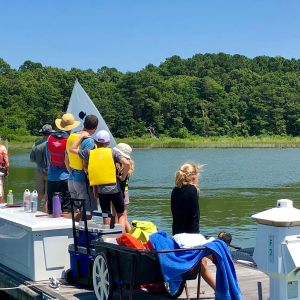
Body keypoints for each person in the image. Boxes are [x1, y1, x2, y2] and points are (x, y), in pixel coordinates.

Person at [70, 130, 130, 231]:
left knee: (105, 214)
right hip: (115, 189)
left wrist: (81, 136)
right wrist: (123, 177)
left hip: (101, 190)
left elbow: (72, 149)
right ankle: (120, 235)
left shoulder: (89, 153)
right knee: (121, 214)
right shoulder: (113, 152)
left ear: (95, 142)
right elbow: (127, 164)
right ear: (108, 143)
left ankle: (107, 235)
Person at [170, 162, 216, 291]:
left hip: (177, 236)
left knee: (202, 263)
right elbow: (195, 218)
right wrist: (198, 240)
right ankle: (224, 289)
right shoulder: (192, 190)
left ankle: (220, 290)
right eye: (198, 175)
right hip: (190, 238)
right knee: (217, 254)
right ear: (194, 176)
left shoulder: (175, 190)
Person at [65, 115, 98, 218]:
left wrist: (70, 171)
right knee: (87, 211)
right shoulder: (89, 141)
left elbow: (66, 158)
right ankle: (84, 233)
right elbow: (85, 163)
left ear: (84, 124)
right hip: (82, 178)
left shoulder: (72, 136)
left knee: (75, 209)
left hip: (71, 176)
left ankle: (73, 231)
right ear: (96, 127)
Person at [46, 113, 80, 216]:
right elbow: (69, 160)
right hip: (65, 178)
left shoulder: (50, 139)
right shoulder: (69, 140)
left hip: (51, 178)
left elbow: (48, 158)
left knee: (51, 209)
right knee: (66, 209)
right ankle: (67, 231)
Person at [30, 124, 54, 210]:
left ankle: (36, 210)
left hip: (39, 171)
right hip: (50, 172)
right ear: (51, 133)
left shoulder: (36, 144)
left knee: (39, 194)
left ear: (42, 133)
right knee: (48, 195)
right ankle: (45, 212)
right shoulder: (52, 144)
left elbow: (32, 159)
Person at [114, 143, 134, 233]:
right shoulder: (129, 164)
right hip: (126, 192)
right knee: (124, 218)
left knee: (118, 217)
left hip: (118, 193)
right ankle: (132, 237)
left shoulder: (118, 164)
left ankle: (123, 236)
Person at [0, 137, 9, 203]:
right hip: (0, 169)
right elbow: (6, 161)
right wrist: (6, 170)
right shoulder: (2, 148)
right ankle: (1, 203)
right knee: (1, 186)